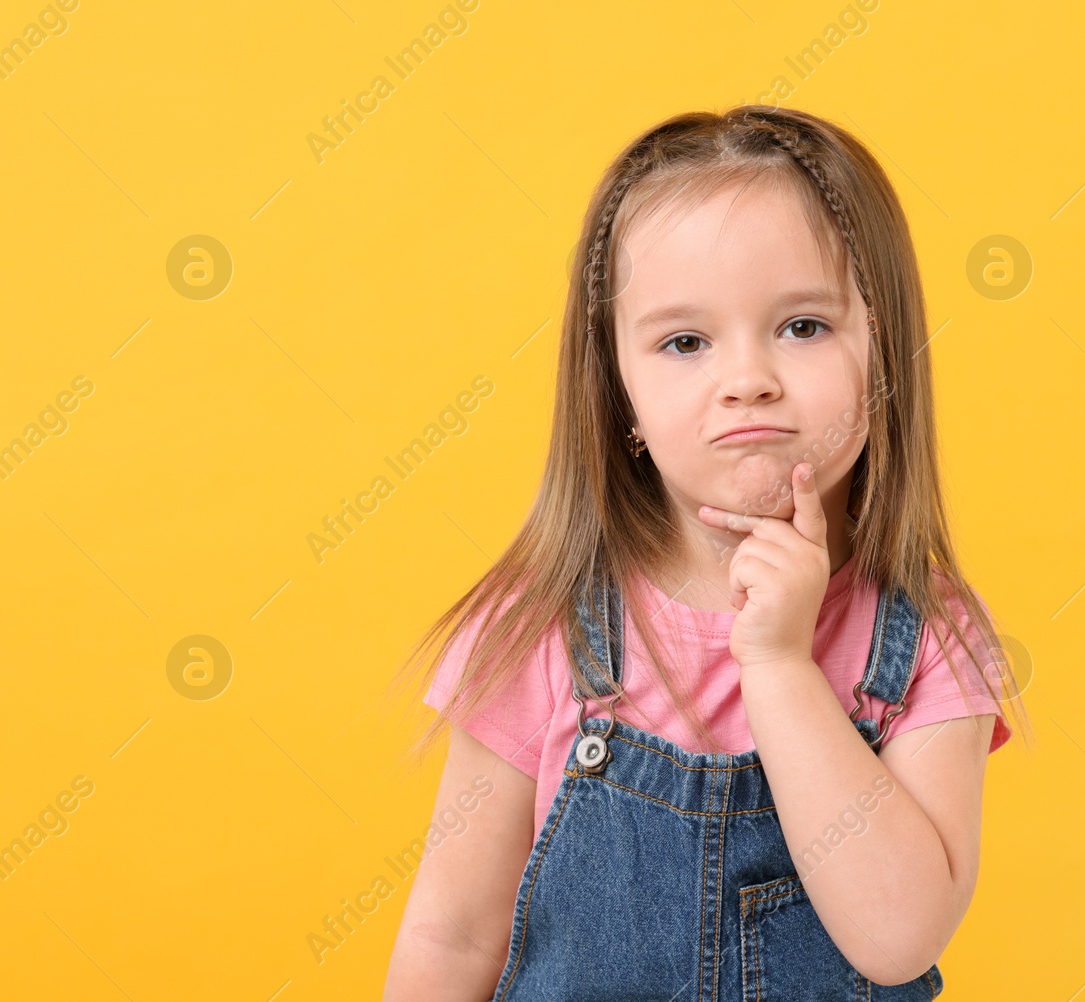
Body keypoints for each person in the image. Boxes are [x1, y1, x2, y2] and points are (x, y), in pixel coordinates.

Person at [384, 106, 1030, 1001]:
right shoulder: (544, 625)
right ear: (621, 396)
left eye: (803, 326)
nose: (746, 378)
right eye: (685, 342)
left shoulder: (924, 636)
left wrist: (777, 662)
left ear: (885, 355)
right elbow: (451, 939)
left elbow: (897, 936)